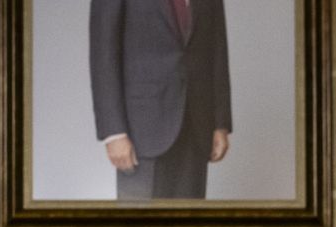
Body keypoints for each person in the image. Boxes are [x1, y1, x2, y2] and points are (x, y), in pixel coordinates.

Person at [90, 0, 231, 200]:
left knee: (188, 226)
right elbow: (103, 51)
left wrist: (220, 123)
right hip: (141, 130)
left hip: (196, 123)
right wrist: (113, 132)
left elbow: (217, 46)